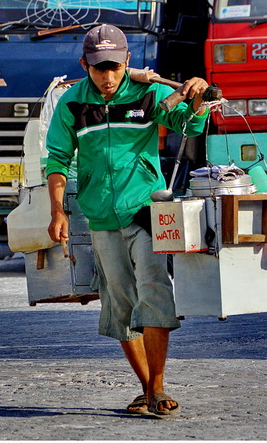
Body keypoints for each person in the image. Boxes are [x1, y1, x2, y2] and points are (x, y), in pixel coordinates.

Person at [45, 24, 209, 417]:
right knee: (121, 303)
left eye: (115, 67)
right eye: (99, 67)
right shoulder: (71, 104)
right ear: (85, 64)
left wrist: (198, 100)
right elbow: (56, 160)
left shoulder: (151, 94)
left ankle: (157, 386)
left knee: (153, 288)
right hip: (100, 216)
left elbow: (189, 125)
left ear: (127, 62)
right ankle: (146, 387)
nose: (108, 76)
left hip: (145, 211)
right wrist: (57, 210)